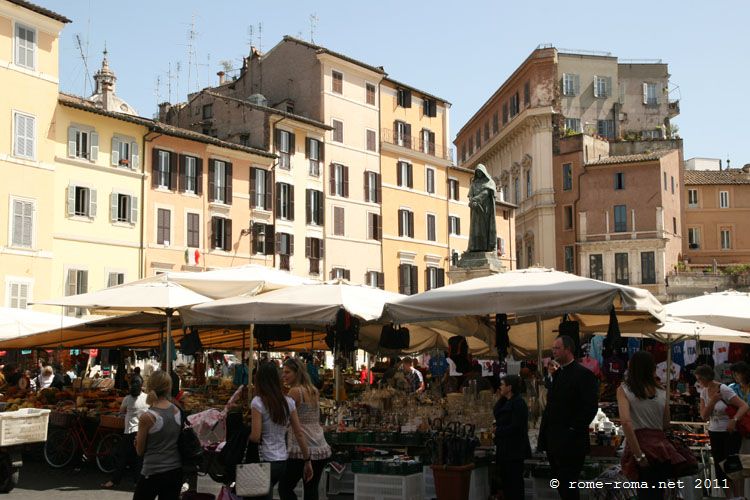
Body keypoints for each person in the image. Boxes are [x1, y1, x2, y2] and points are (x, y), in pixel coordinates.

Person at [538, 335, 599, 500]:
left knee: (568, 485)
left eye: (557, 348)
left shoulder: (584, 375)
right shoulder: (558, 374)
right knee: (561, 485)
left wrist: (572, 429)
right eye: (553, 348)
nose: (554, 351)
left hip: (571, 443)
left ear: (568, 349)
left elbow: (590, 407)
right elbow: (551, 408)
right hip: (554, 441)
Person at [617, 351, 680, 499]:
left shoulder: (624, 389)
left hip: (639, 446)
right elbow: (666, 423)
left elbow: (626, 422)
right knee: (658, 493)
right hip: (660, 450)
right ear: (652, 368)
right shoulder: (662, 391)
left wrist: (638, 455)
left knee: (643, 492)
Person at [249, 362, 313, 500]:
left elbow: (255, 436)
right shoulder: (288, 402)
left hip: (264, 459)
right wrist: (307, 460)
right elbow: (299, 433)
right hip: (282, 460)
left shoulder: (257, 402)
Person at [279, 358, 332, 500]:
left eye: (287, 372)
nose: (284, 375)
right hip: (319, 444)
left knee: (285, 487)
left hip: (301, 447)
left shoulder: (294, 392)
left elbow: (284, 419)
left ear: (297, 373)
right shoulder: (313, 390)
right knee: (311, 489)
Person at [697, 364, 748, 498]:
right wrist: (712, 402)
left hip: (730, 432)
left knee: (731, 465)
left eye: (699, 379)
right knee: (720, 467)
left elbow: (744, 406)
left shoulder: (724, 389)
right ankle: (728, 496)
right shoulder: (703, 392)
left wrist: (734, 420)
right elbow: (704, 415)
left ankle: (737, 496)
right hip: (714, 431)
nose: (698, 382)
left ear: (705, 378)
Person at [134, 370, 182, 500]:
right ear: (168, 387)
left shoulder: (148, 417)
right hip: (175, 470)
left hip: (152, 471)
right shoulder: (177, 410)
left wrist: (137, 441)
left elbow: (140, 451)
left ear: (149, 386)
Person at [101, 380, 149, 489]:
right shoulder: (147, 398)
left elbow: (121, 411)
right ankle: (137, 481)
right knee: (139, 458)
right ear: (141, 386)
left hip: (130, 432)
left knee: (123, 457)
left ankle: (115, 481)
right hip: (142, 431)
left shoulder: (127, 399)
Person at [494, 375, 531, 500]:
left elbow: (516, 427)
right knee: (507, 482)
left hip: (514, 450)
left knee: (514, 484)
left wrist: (498, 430)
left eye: (503, 384)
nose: (500, 386)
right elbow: (497, 412)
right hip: (505, 449)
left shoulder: (519, 403)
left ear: (509, 387)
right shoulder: (507, 401)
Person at [467, 163, 497, 252]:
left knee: (485, 227)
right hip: (475, 209)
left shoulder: (489, 182)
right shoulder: (474, 183)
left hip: (485, 209)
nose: (479, 173)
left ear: (484, 172)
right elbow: (470, 195)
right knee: (475, 228)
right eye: (477, 172)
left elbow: (486, 192)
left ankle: (485, 247)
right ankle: (474, 247)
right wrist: (472, 201)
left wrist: (476, 199)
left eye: (480, 171)